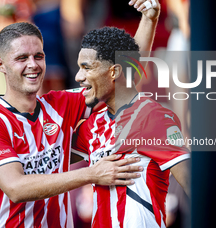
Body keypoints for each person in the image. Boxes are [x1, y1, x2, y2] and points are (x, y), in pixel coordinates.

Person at [0, 0, 160, 228]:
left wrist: (149, 19)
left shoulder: (61, 105)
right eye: (21, 58)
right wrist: (92, 173)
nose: (33, 65)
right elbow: (15, 188)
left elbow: (123, 80)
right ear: (1, 65)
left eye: (38, 56)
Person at [71, 17, 190, 228]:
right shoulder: (92, 125)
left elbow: (195, 186)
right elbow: (51, 158)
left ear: (114, 72)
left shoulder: (153, 118)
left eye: (87, 68)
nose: (79, 76)